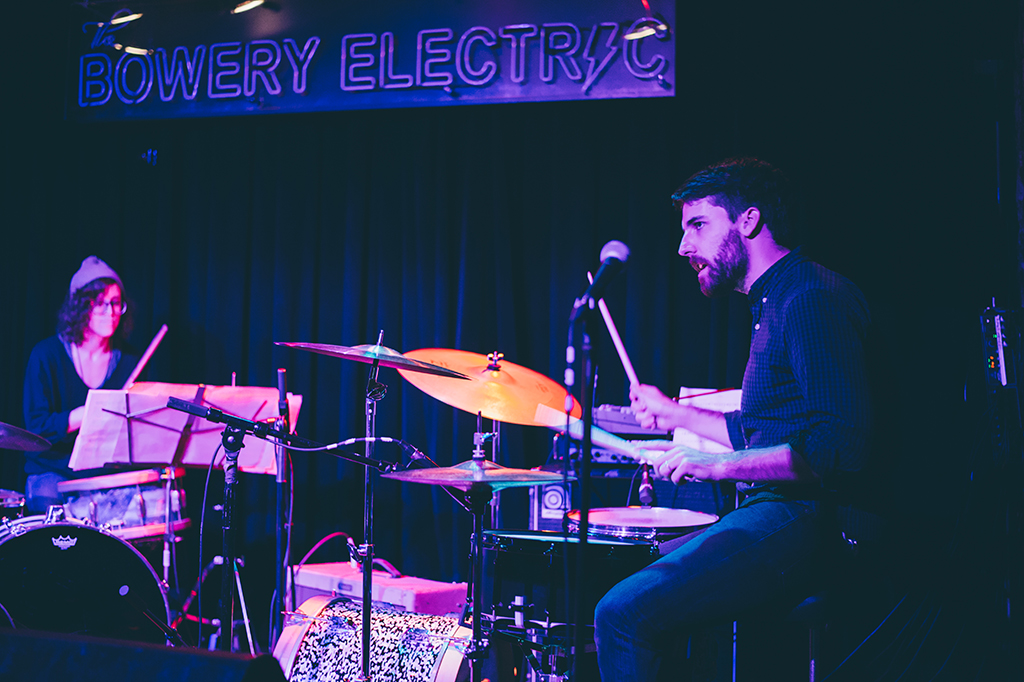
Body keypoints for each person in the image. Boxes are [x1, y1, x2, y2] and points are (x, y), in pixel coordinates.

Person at [594, 158, 872, 680]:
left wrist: (715, 466)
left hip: (814, 520)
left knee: (622, 614)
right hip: (783, 511)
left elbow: (838, 448)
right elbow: (762, 429)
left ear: (748, 221)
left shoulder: (809, 297)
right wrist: (675, 414)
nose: (682, 247)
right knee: (636, 574)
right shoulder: (772, 301)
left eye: (697, 225)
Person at [22, 256, 139, 514]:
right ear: (80, 307)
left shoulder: (131, 362)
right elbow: (37, 427)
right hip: (53, 471)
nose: (110, 312)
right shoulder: (46, 355)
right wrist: (84, 415)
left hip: (106, 473)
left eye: (116, 304)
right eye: (100, 303)